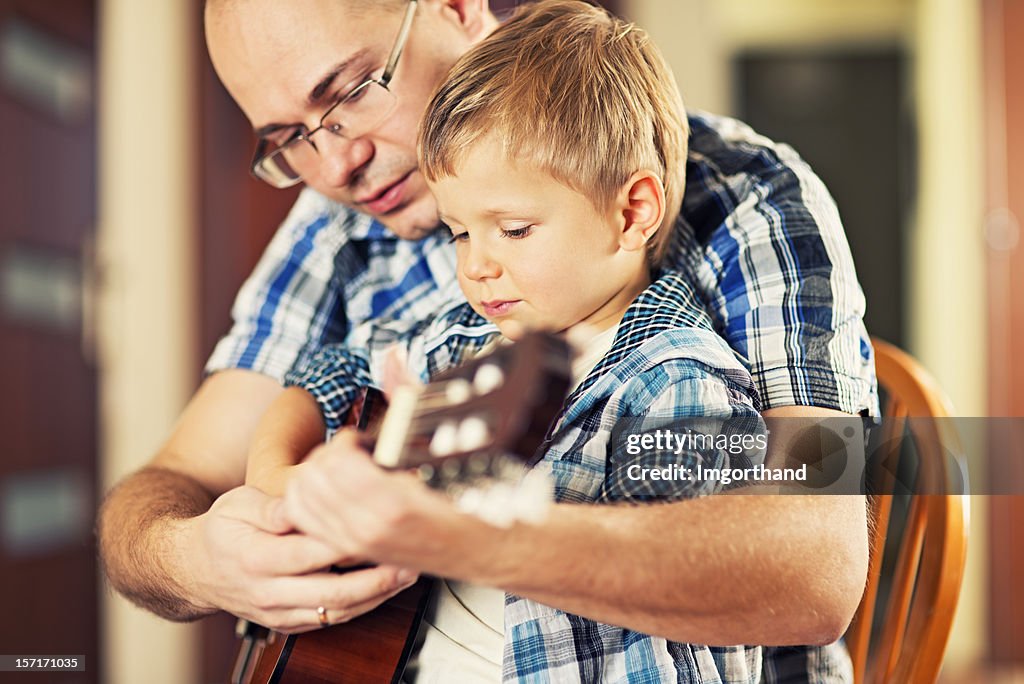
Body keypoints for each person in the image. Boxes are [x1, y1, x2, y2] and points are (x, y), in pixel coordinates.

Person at [97, 0, 873, 680]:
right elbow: (166, 487)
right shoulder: (336, 225)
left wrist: (474, 538)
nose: (335, 165)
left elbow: (814, 571)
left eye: (350, 95)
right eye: (289, 139)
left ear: (457, 4)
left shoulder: (741, 196)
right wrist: (205, 557)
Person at [245, 7, 767, 677]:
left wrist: (481, 529)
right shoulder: (462, 340)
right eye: (459, 232)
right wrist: (279, 481)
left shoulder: (679, 385)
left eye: (513, 230)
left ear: (632, 211)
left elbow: (692, 628)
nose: (475, 267)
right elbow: (327, 378)